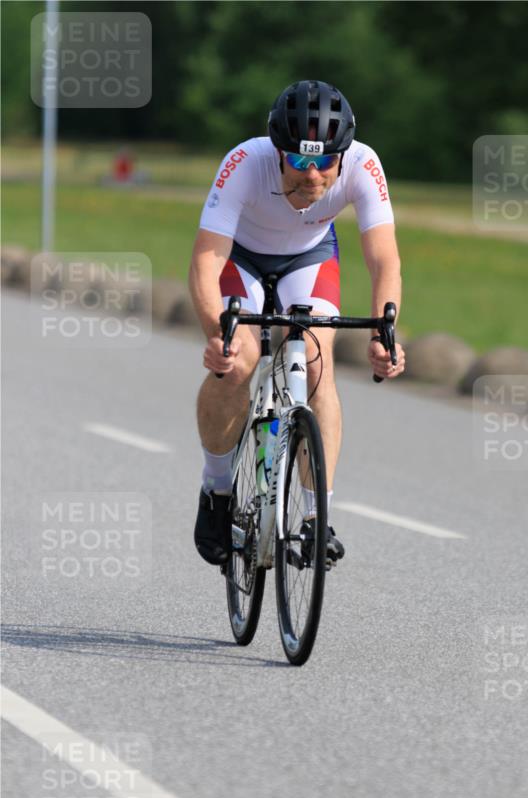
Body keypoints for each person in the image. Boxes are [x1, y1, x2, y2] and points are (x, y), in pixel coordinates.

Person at [189, 79, 405, 568]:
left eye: (325, 161)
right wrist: (214, 333)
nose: (313, 174)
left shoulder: (364, 164)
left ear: (342, 154)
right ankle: (217, 490)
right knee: (239, 360)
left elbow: (384, 260)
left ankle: (313, 517)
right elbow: (206, 258)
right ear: (279, 151)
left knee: (316, 364)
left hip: (309, 257)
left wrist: (383, 333)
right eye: (301, 161)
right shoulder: (245, 162)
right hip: (238, 257)